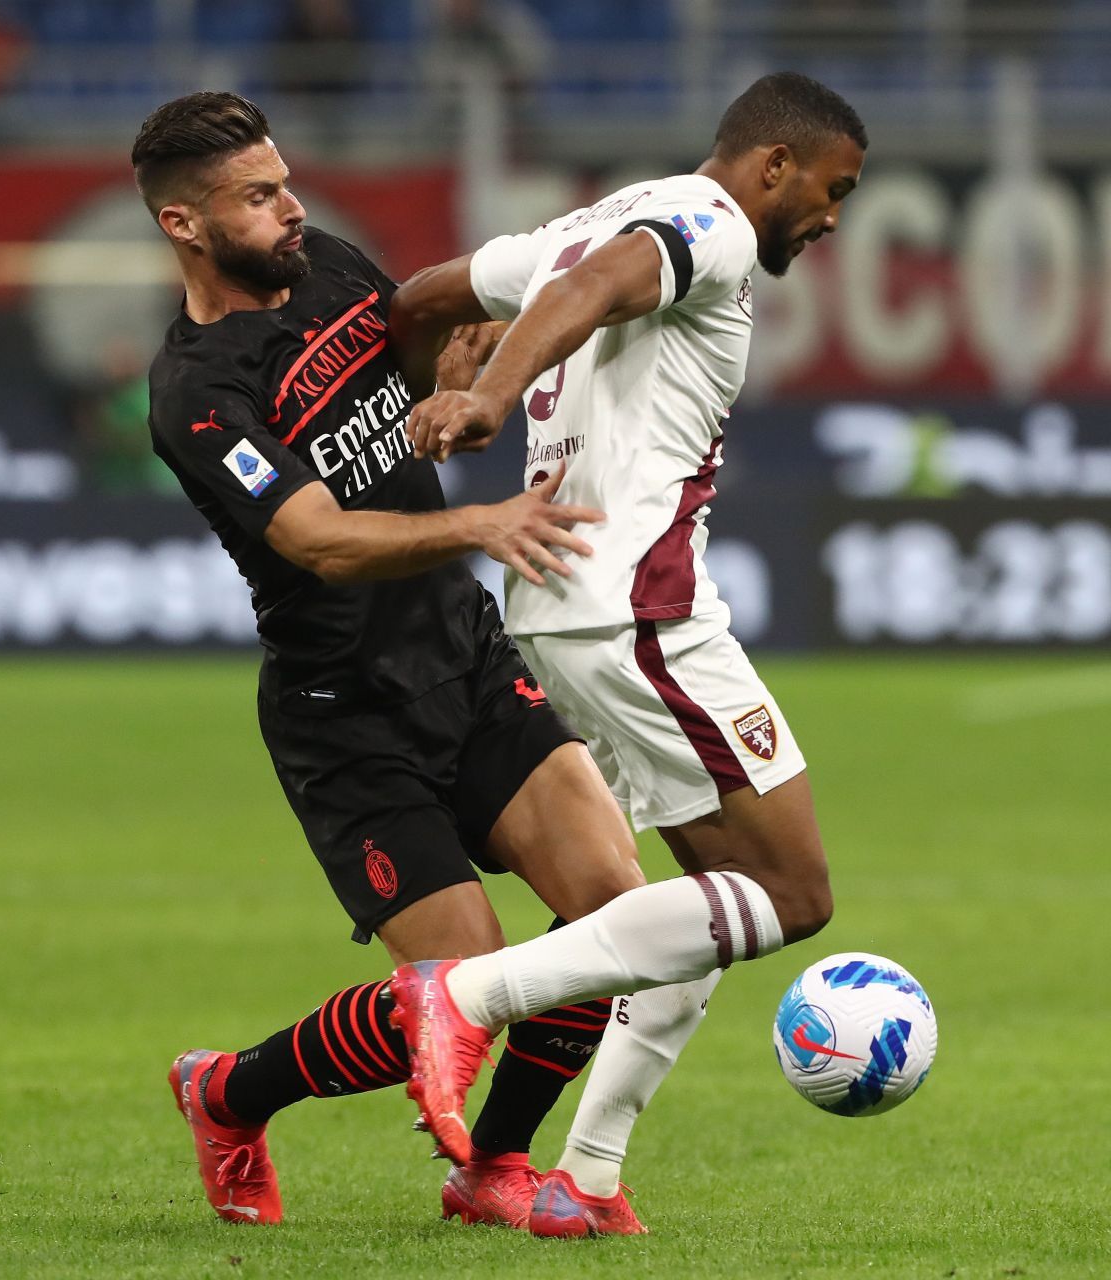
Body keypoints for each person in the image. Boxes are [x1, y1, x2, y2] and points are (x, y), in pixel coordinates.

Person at [133, 91, 649, 1230]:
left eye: (285, 180)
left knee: (615, 915)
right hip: (347, 711)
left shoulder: (331, 270)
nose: (291, 208)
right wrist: (477, 523)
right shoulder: (195, 395)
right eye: (258, 197)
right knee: (459, 988)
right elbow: (314, 537)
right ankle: (228, 1092)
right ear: (184, 223)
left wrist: (456, 373)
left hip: (459, 652)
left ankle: (494, 1168)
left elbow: (396, 381)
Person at [382, 71, 868, 1236]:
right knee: (790, 894)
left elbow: (421, 296)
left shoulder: (577, 221)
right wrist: (490, 392)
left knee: (706, 900)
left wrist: (424, 386)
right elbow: (602, 288)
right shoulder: (706, 222)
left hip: (561, 607)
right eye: (832, 187)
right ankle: (468, 998)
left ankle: (585, 1179)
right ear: (769, 166)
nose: (834, 215)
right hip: (642, 611)